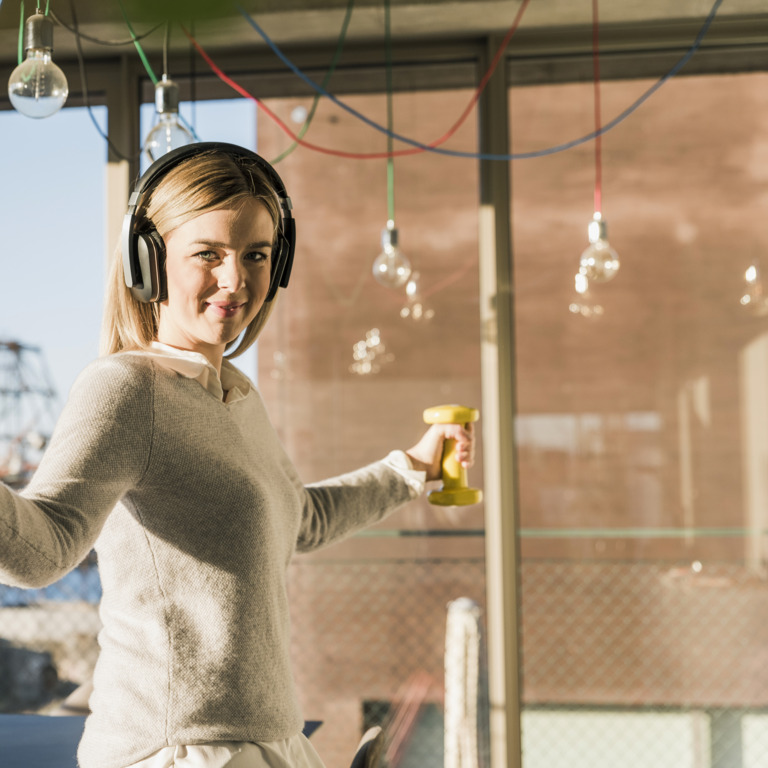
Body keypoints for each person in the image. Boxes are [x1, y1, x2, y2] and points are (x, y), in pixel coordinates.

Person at [0, 143, 475, 768]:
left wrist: (410, 467)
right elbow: (44, 550)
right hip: (180, 748)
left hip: (269, 737)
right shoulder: (125, 388)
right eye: (208, 254)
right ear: (149, 263)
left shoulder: (235, 395)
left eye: (256, 255)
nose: (237, 280)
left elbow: (299, 518)